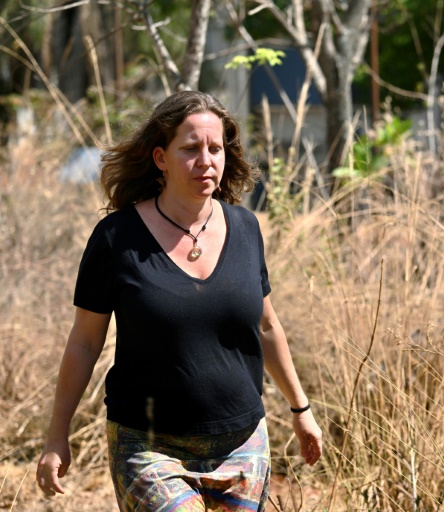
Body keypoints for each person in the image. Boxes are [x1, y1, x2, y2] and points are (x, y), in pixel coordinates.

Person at [36, 90, 322, 511]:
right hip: (148, 445)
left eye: (215, 148)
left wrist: (301, 410)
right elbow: (84, 341)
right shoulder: (117, 239)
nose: (206, 161)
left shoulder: (245, 227)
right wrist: (57, 434)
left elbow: (265, 326)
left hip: (242, 442)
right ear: (160, 158)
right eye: (190, 149)